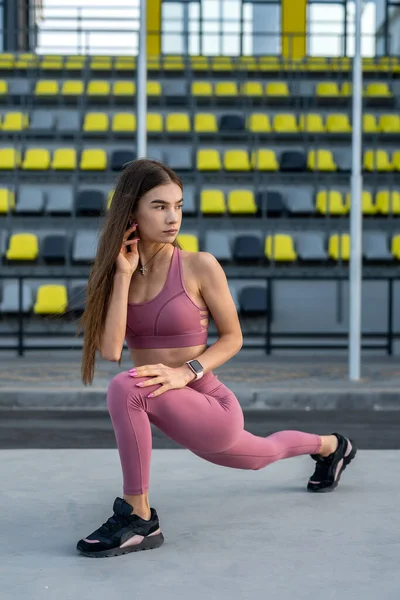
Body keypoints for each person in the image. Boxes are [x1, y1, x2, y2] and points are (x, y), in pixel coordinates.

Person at [76, 158, 357, 559]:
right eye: (159, 206)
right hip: (166, 400)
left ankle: (139, 518)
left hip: (210, 403)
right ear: (132, 211)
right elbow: (109, 350)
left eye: (178, 205)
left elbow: (233, 337)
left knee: (129, 387)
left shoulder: (198, 265)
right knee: (262, 453)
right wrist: (122, 273)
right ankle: (333, 447)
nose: (173, 217)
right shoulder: (118, 271)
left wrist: (182, 373)